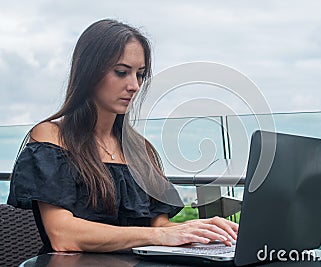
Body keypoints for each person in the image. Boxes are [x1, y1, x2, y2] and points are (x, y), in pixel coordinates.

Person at [7, 19, 238, 254]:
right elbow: (63, 236)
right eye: (121, 72)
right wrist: (160, 234)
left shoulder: (139, 148)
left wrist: (200, 230)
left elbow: (160, 225)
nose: (135, 85)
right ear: (89, 73)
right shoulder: (51, 137)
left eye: (140, 74)